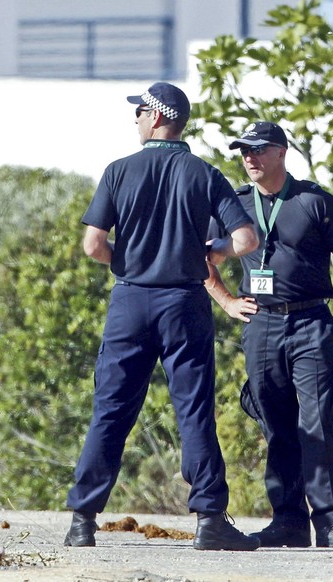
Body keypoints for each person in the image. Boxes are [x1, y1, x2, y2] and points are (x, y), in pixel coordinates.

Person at [65, 82, 261, 551]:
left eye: (138, 114)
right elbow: (247, 240)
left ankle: (82, 521)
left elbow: (93, 244)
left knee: (111, 410)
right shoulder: (204, 173)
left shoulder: (118, 171)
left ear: (155, 117)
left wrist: (126, 260)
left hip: (131, 301)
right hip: (184, 301)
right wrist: (210, 251)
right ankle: (210, 521)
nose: (134, 120)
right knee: (193, 411)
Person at [205, 121, 333, 548]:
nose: (250, 158)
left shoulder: (313, 200)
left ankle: (329, 524)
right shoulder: (234, 204)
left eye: (258, 149)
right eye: (244, 151)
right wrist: (227, 301)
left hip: (309, 322)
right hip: (260, 324)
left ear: (281, 152)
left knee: (318, 422)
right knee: (276, 424)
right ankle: (287, 520)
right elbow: (201, 255)